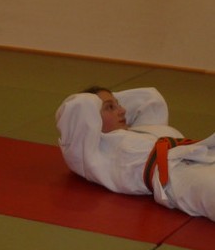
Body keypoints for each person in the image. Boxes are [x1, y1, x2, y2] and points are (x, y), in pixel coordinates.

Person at [56, 86, 215, 220]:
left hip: (203, 156)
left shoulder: (144, 128)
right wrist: (95, 100)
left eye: (118, 104)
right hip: (179, 179)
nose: (122, 110)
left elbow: (150, 98)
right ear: (90, 117)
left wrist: (109, 100)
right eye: (110, 107)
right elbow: (80, 106)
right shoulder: (95, 153)